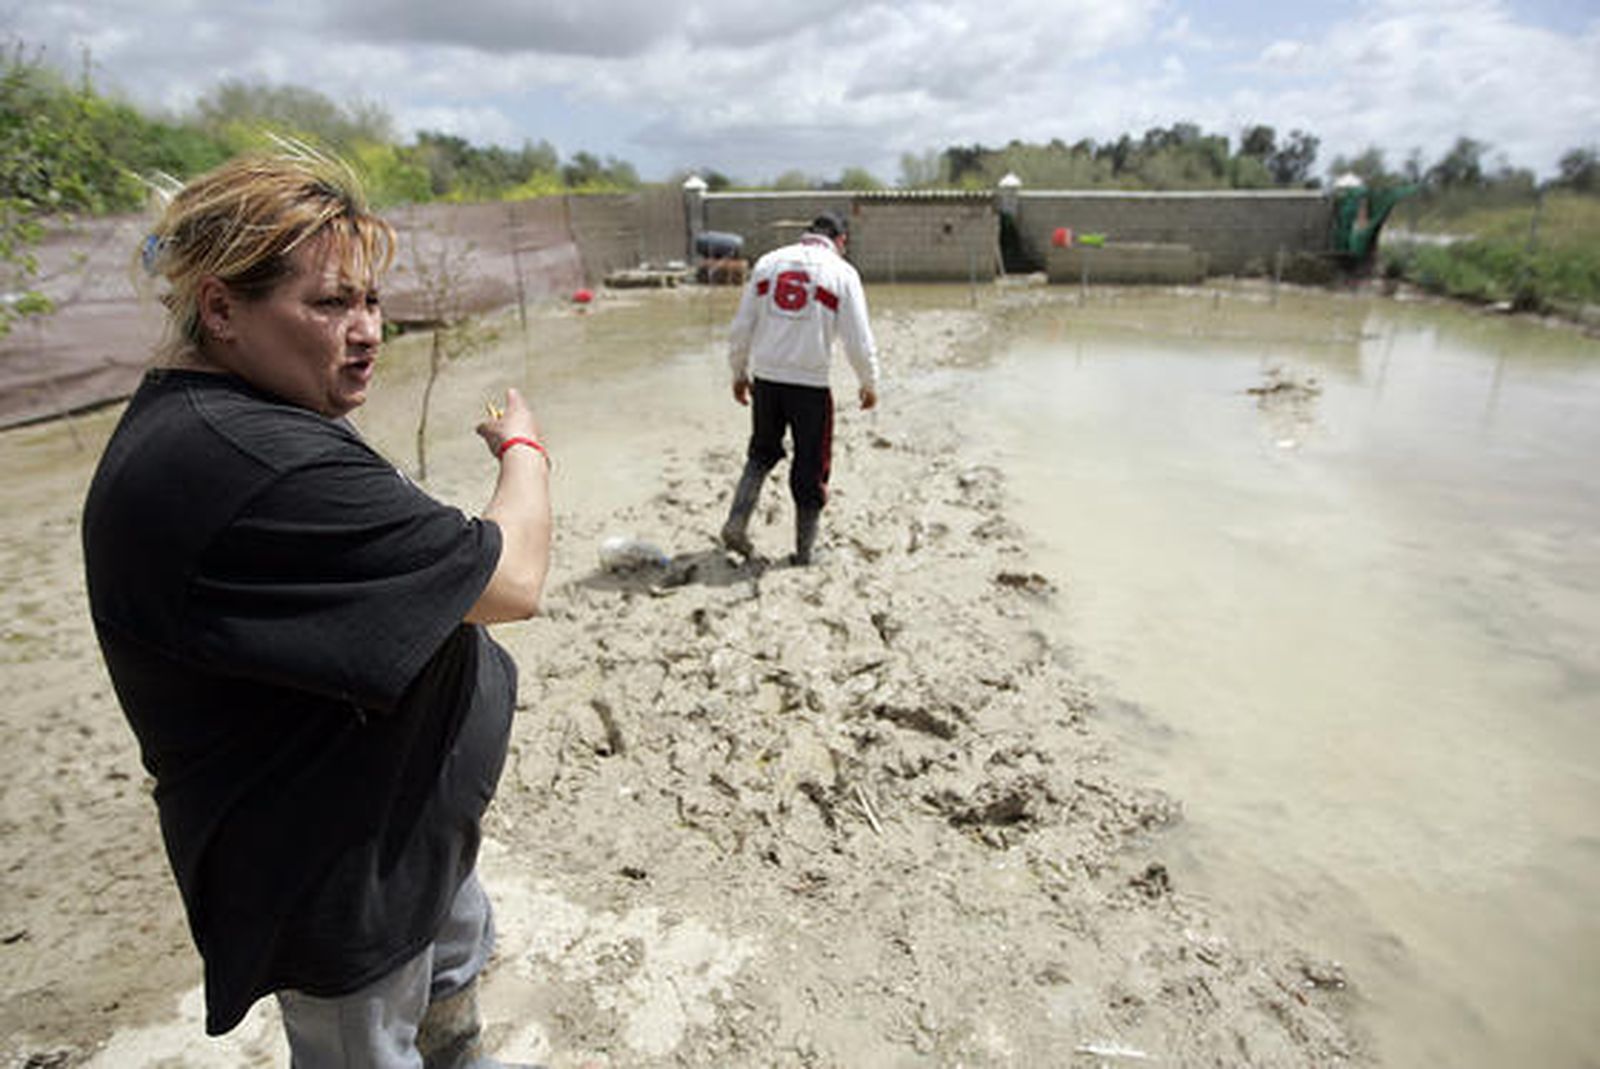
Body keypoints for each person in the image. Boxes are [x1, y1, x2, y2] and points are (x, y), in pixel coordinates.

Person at [80, 147, 551, 1069]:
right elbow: (511, 579)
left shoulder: (241, 417)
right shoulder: (252, 461)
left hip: (401, 830)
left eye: (371, 300)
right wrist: (525, 450)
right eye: (330, 303)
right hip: (335, 873)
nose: (368, 329)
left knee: (450, 999)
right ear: (220, 309)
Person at [721, 210, 880, 565]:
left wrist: (738, 372)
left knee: (761, 453)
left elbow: (741, 326)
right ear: (840, 241)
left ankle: (736, 523)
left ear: (807, 234)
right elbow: (858, 339)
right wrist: (869, 382)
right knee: (811, 466)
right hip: (809, 385)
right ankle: (805, 552)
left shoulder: (768, 263)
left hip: (767, 380)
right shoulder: (842, 272)